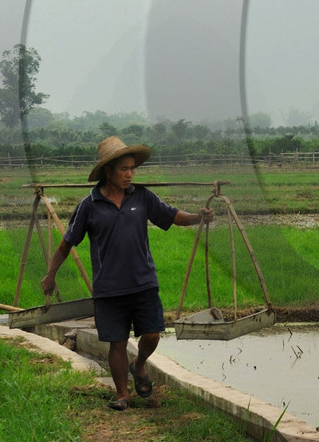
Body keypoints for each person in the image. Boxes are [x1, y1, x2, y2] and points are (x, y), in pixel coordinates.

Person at [41, 136, 211, 411]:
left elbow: (171, 215)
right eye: (124, 169)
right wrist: (50, 275)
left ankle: (139, 364)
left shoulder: (142, 197)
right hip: (109, 288)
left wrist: (197, 218)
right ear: (108, 171)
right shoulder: (89, 205)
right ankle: (122, 395)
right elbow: (66, 243)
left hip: (143, 282)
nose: (130, 174)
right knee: (117, 342)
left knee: (152, 334)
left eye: (132, 168)